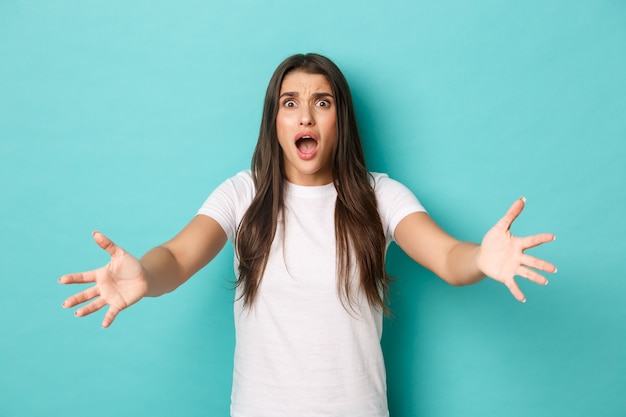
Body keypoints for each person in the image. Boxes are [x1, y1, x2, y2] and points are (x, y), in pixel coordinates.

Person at [59, 53, 557, 417]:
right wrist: (144, 274)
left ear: (339, 118)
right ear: (274, 121)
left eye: (322, 102)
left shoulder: (377, 195)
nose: (305, 116)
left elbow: (447, 255)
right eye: (290, 103)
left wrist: (481, 259)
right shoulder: (242, 193)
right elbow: (178, 254)